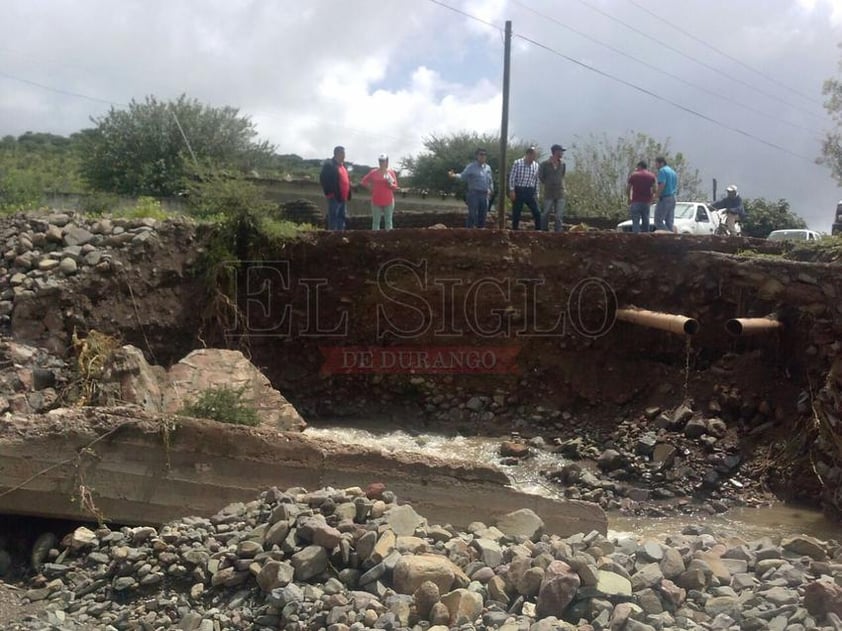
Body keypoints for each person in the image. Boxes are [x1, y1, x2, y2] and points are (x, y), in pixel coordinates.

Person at [448, 148, 494, 228]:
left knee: (483, 215)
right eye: (481, 154)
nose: (483, 156)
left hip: (485, 194)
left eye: (484, 155)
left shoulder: (488, 168)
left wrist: (491, 189)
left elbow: (490, 180)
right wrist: (454, 175)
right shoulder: (471, 167)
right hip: (474, 194)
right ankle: (469, 232)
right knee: (473, 214)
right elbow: (462, 176)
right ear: (477, 156)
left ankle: (481, 233)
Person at [360, 153, 399, 230]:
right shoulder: (373, 172)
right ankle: (375, 238)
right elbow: (363, 181)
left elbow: (395, 186)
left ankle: (388, 238)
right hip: (376, 201)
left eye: (383, 161)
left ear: (387, 162)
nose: (381, 162)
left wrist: (390, 185)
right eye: (380, 161)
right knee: (375, 222)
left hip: (388, 201)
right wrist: (370, 188)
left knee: (388, 222)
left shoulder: (390, 172)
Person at [319, 146, 352, 230]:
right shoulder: (329, 165)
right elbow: (323, 179)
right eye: (343, 153)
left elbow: (346, 180)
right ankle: (332, 235)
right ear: (338, 154)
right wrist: (330, 192)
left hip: (342, 197)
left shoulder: (343, 166)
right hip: (334, 196)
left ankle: (340, 235)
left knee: (342, 217)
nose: (344, 156)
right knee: (334, 216)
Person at [508, 146, 541, 230]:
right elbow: (512, 177)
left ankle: (538, 230)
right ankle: (514, 230)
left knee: (537, 212)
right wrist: (512, 190)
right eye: (533, 155)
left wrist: (537, 193)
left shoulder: (536, 165)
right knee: (516, 212)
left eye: (535, 155)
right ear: (528, 154)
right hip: (519, 190)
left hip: (530, 191)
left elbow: (536, 180)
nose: (534, 157)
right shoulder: (518, 163)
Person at [539, 144, 567, 232]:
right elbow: (541, 177)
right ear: (556, 152)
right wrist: (548, 183)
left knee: (559, 214)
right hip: (549, 192)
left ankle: (558, 231)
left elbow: (562, 175)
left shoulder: (563, 164)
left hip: (560, 192)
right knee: (546, 213)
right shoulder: (544, 164)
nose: (562, 153)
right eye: (561, 151)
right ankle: (544, 230)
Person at [627, 160, 656, 233]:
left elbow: (628, 188)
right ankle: (646, 236)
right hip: (646, 202)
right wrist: (652, 198)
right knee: (646, 219)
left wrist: (629, 198)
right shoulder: (651, 176)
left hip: (636, 201)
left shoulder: (634, 175)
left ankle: (636, 237)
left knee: (635, 220)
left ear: (639, 166)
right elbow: (654, 189)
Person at [654, 156, 678, 232]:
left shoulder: (662, 171)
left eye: (656, 163)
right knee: (669, 222)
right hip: (672, 198)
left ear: (661, 163)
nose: (656, 166)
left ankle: (669, 236)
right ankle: (672, 241)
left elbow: (662, 184)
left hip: (664, 198)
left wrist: (656, 196)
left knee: (658, 221)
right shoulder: (673, 172)